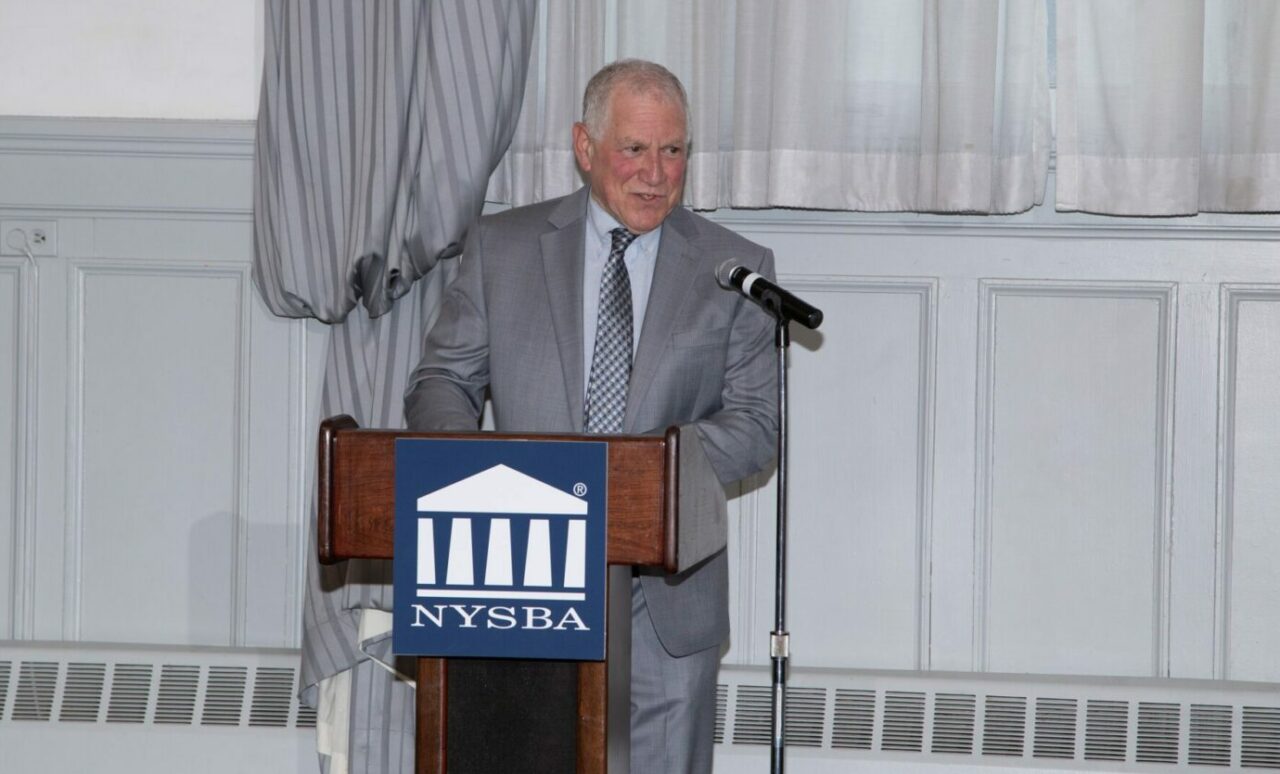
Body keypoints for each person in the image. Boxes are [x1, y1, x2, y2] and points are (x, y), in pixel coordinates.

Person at [405, 58, 778, 773]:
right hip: (523, 577)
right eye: (634, 149)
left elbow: (757, 425)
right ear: (584, 147)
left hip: (667, 591)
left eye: (673, 151)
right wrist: (481, 476)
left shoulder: (734, 268)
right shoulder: (502, 249)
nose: (656, 173)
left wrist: (646, 475)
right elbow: (442, 381)